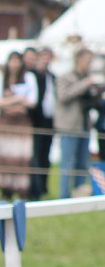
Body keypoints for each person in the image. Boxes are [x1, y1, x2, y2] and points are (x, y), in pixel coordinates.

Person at [55, 48, 104, 199]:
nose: (89, 64)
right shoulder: (65, 77)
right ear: (78, 59)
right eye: (87, 60)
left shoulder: (89, 78)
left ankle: (79, 195)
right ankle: (64, 196)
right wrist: (85, 84)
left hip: (85, 125)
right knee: (67, 163)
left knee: (82, 164)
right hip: (69, 126)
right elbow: (63, 96)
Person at [0, 51, 38, 200]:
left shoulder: (29, 78)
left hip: (21, 124)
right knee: (4, 156)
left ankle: (22, 191)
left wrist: (10, 101)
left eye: (17, 60)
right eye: (11, 60)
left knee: (21, 157)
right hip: (5, 123)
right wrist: (17, 100)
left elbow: (31, 101)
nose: (14, 64)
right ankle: (5, 191)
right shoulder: (2, 78)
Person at [29, 47, 58, 200]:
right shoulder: (33, 75)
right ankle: (36, 189)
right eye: (43, 56)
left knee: (46, 156)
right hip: (37, 121)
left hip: (49, 121)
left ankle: (44, 187)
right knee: (36, 155)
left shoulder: (52, 76)